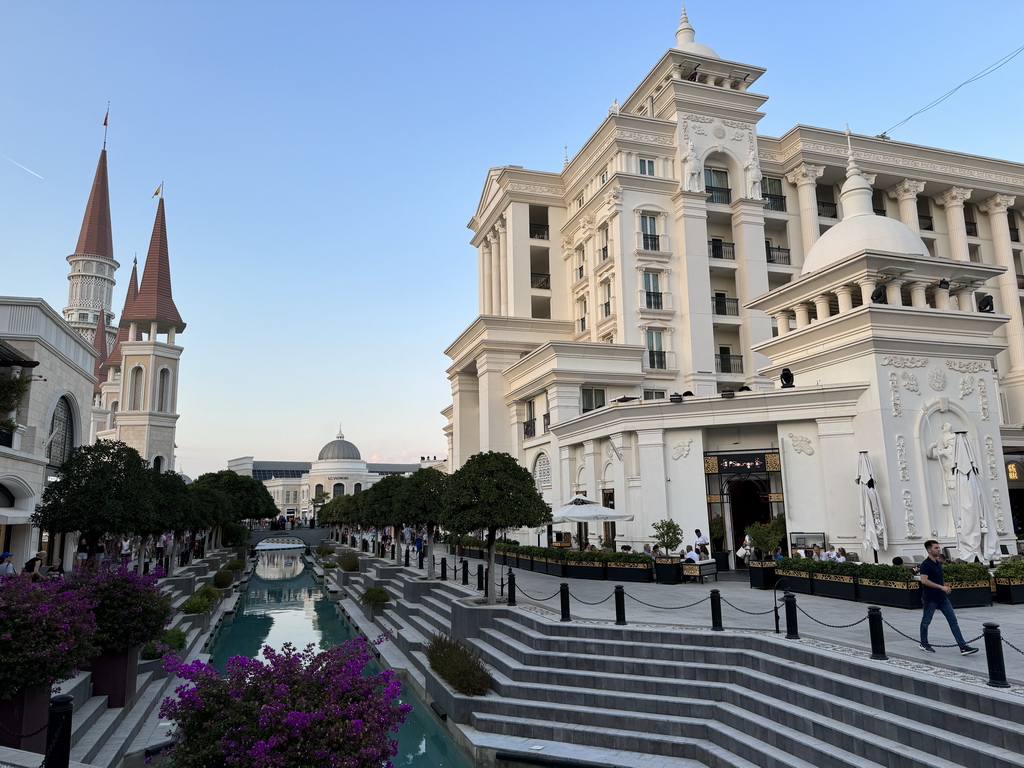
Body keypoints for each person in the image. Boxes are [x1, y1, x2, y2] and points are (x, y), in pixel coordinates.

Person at [919, 539, 978, 655]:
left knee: (953, 621)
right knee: (926, 621)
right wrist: (941, 587)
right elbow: (924, 581)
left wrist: (943, 588)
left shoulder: (938, 563)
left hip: (942, 598)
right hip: (930, 598)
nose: (939, 549)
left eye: (938, 547)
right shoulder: (925, 565)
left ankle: (963, 646)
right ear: (929, 550)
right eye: (936, 548)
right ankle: (924, 643)